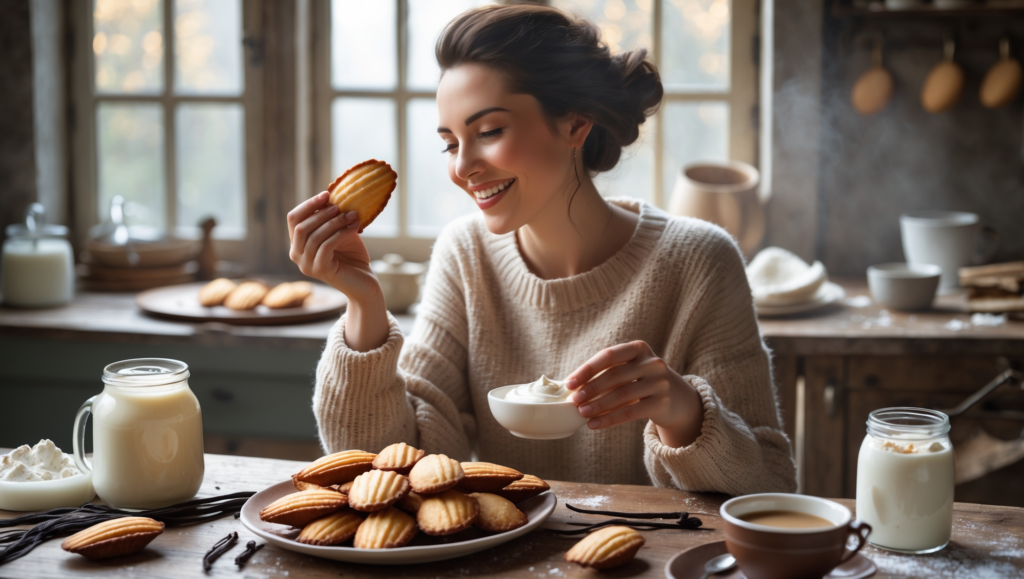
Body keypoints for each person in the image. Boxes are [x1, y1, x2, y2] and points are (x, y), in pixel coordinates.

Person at [287, 4, 795, 495]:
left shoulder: (699, 261)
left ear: (575, 124)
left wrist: (684, 414)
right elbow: (385, 471)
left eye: (488, 131)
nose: (462, 167)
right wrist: (365, 306)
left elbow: (770, 485)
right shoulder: (465, 255)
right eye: (450, 142)